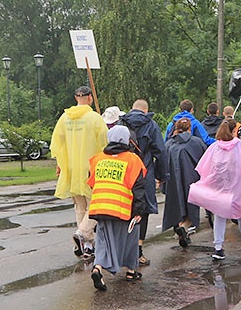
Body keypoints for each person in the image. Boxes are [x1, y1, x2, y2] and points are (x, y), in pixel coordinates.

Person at [50, 85, 108, 260]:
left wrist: (61, 162)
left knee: (80, 206)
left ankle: (88, 245)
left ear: (76, 98)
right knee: (96, 206)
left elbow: (56, 142)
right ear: (90, 98)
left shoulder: (65, 118)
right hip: (91, 168)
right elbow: (106, 142)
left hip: (71, 168)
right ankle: (83, 233)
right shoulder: (95, 118)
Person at [87, 125, 148, 291]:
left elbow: (92, 182)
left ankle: (97, 268)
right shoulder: (133, 159)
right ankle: (130, 270)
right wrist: (139, 211)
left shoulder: (97, 159)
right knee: (130, 237)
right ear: (127, 140)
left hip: (100, 206)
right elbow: (138, 188)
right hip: (122, 207)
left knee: (103, 241)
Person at [188, 120, 241, 261]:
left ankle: (219, 248)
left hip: (220, 187)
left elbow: (204, 167)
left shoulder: (215, 147)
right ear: (234, 131)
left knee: (220, 215)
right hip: (238, 187)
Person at [120, 99, 167, 267]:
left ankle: (123, 250)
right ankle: (138, 252)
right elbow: (160, 152)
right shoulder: (151, 125)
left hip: (124, 171)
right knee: (143, 210)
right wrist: (161, 175)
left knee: (125, 208)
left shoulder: (121, 123)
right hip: (144, 171)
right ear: (146, 111)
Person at [162, 117, 207, 247]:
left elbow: (162, 162)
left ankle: (179, 226)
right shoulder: (196, 142)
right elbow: (205, 161)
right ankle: (184, 227)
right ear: (189, 129)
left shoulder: (169, 144)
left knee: (176, 205)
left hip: (172, 183)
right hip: (191, 180)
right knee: (191, 208)